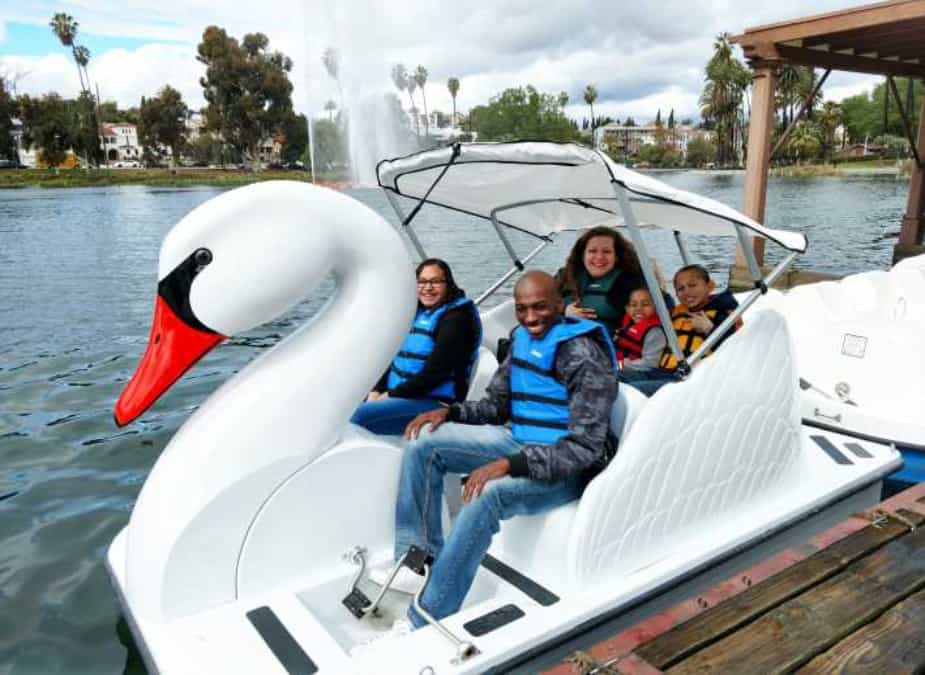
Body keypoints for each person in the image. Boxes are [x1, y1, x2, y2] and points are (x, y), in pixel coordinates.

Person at [366, 270, 617, 637]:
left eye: (540, 308)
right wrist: (450, 412)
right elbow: (495, 407)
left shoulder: (583, 356)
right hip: (519, 443)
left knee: (488, 494)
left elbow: (584, 448)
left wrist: (508, 465)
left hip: (564, 469)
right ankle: (416, 559)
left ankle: (428, 618)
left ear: (560, 305)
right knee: (424, 442)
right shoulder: (521, 342)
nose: (531, 318)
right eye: (522, 309)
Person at [350, 258, 481, 435]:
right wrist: (376, 390)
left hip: (434, 403)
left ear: (448, 284)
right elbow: (391, 357)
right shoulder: (417, 311)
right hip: (402, 394)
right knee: (339, 407)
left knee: (356, 416)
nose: (428, 287)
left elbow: (434, 374)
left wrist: (389, 396)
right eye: (422, 282)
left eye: (435, 281)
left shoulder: (456, 319)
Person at [620, 264, 740, 396]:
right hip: (660, 372)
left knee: (629, 390)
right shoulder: (676, 312)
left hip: (686, 380)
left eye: (693, 285)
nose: (687, 292)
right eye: (681, 289)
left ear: (710, 286)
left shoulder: (724, 313)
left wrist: (710, 329)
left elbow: (735, 349)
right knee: (610, 378)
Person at [558, 226, 644, 337]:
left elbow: (660, 308)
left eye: (607, 251)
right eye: (592, 251)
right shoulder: (564, 275)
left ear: (616, 256)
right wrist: (565, 312)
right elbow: (541, 308)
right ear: (582, 255)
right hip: (564, 342)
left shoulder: (630, 281)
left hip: (608, 347)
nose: (599, 257)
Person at [614, 286, 666, 372]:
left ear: (656, 307)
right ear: (627, 309)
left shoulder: (655, 332)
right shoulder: (628, 325)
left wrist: (617, 365)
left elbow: (649, 364)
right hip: (619, 366)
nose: (638, 309)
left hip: (640, 373)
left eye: (645, 304)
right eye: (633, 305)